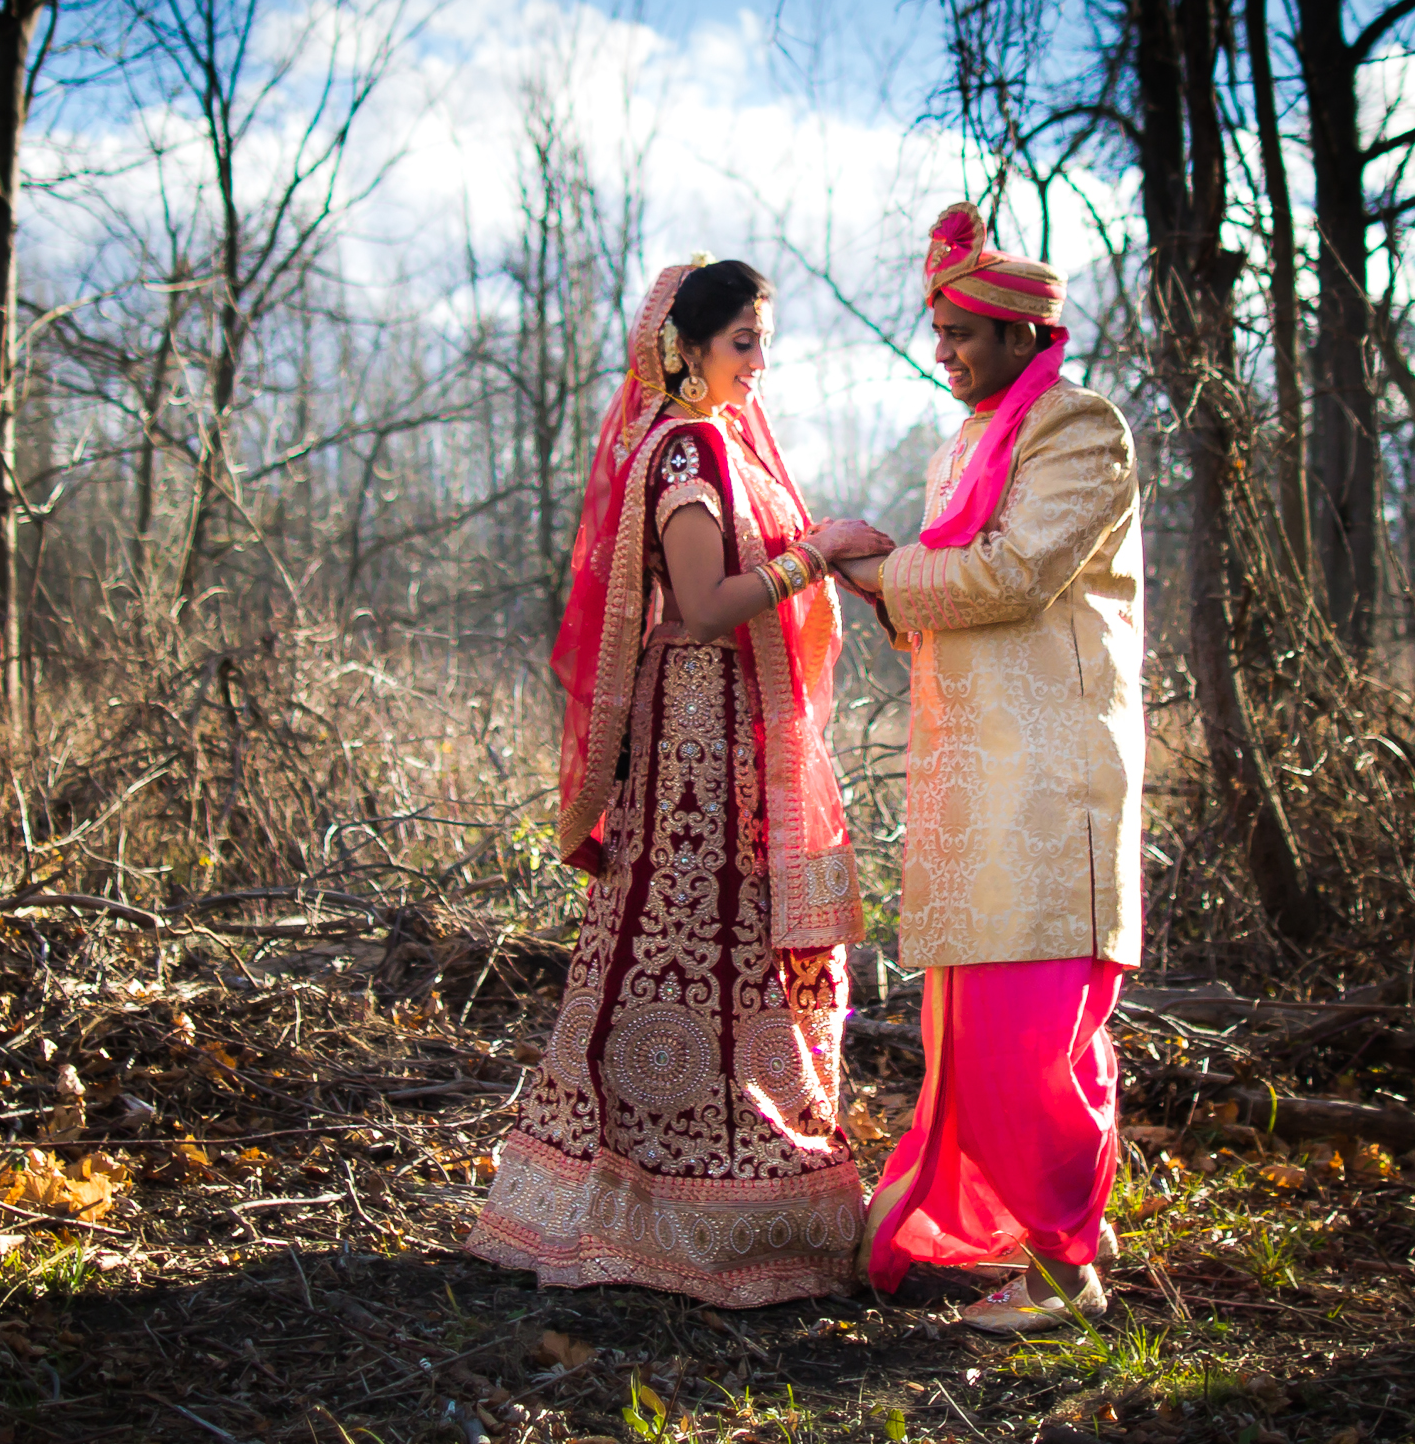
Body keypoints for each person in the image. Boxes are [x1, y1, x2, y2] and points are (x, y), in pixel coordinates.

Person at [468, 258, 896, 1307]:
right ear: (686, 348)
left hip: (728, 743)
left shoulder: (714, 444)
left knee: (730, 951)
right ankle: (671, 1201)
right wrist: (821, 551)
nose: (760, 361)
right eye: (743, 341)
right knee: (693, 952)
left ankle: (719, 1188)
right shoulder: (688, 446)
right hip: (699, 747)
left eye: (761, 340)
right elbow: (703, 605)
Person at [840, 205, 1144, 1327]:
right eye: (937, 328)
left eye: (965, 329)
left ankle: (1066, 1269)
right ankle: (1067, 1213)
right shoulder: (962, 447)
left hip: (1051, 776)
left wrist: (882, 571)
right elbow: (939, 605)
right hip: (971, 776)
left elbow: (1012, 576)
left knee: (1029, 1031)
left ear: (1028, 335)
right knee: (980, 1025)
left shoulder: (1077, 428)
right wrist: (887, 580)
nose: (945, 349)